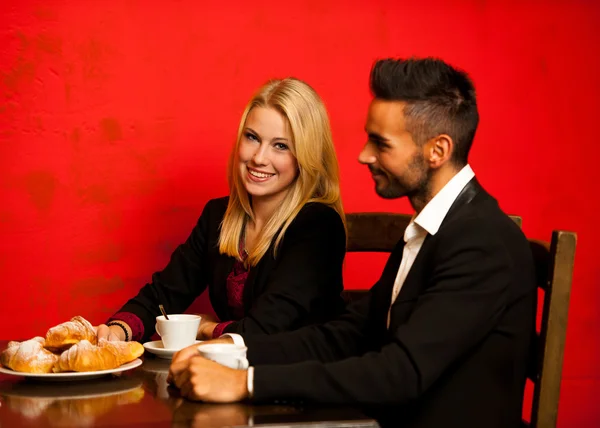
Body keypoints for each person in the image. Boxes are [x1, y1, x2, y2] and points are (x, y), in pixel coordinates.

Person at [168, 57, 537, 428]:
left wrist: (245, 382)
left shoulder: (482, 242)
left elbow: (401, 372)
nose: (364, 155)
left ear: (436, 151)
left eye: (381, 143)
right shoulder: (430, 231)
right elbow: (343, 335)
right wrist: (231, 350)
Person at [96, 78, 347, 343]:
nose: (259, 158)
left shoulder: (319, 225)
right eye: (252, 138)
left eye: (281, 146)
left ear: (306, 157)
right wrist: (117, 330)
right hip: (227, 374)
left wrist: (206, 329)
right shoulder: (218, 215)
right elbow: (163, 295)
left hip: (301, 376)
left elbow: (269, 330)